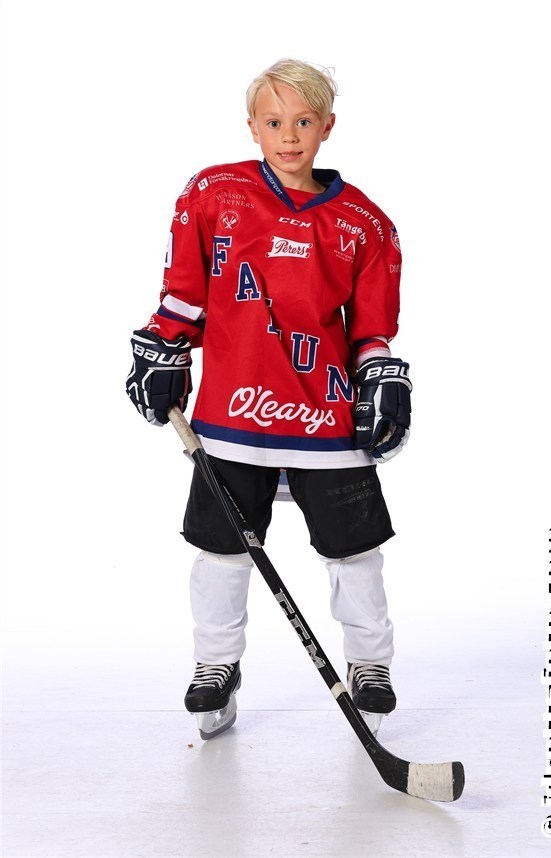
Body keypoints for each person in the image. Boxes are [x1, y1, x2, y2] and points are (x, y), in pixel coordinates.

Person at [126, 59, 412, 740]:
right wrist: (163, 346)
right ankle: (216, 666)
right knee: (221, 550)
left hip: (324, 413)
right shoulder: (215, 193)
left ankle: (370, 665)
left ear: (327, 127)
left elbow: (371, 329)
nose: (289, 136)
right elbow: (185, 292)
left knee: (355, 551)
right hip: (233, 412)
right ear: (252, 125)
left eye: (304, 121)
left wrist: (381, 376)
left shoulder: (364, 223)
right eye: (275, 121)